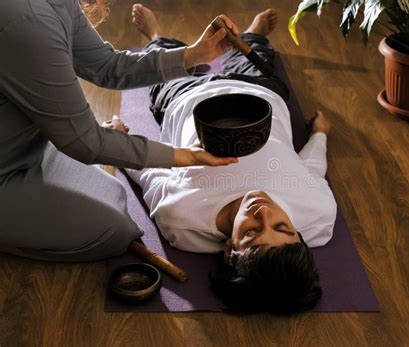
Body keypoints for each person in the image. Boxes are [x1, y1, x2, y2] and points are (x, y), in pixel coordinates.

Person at [125, 6, 337, 314]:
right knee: (255, 54)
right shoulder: (318, 212)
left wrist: (118, 141)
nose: (263, 212)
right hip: (260, 96)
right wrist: (320, 135)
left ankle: (156, 35)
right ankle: (254, 34)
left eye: (251, 233)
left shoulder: (180, 218)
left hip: (186, 99)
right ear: (298, 235)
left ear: (229, 250)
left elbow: (148, 173)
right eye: (282, 227)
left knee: (162, 65)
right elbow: (313, 170)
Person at [0, 0, 240, 262]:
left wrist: (194, 54)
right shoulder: (28, 21)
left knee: (114, 194)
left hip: (30, 152)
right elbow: (85, 142)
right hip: (6, 171)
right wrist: (186, 157)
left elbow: (105, 66)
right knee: (116, 231)